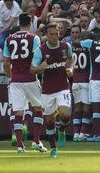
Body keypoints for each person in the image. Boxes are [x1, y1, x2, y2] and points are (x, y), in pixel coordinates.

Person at [30, 22, 74, 158]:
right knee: (49, 122)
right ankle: (53, 149)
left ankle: (61, 130)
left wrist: (70, 69)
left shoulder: (66, 46)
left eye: (57, 34)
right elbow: (32, 69)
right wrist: (40, 67)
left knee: (65, 115)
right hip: (47, 90)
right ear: (46, 35)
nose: (55, 37)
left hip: (62, 87)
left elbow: (71, 59)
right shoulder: (40, 50)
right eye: (52, 34)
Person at [4, 13, 46, 153]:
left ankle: (20, 146)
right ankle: (36, 141)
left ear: (19, 22)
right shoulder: (34, 38)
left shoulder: (9, 39)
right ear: (31, 22)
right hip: (30, 78)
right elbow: (36, 58)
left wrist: (11, 76)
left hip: (15, 80)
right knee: (38, 109)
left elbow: (5, 62)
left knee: (18, 113)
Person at [71, 29, 92, 141]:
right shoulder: (89, 48)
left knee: (77, 108)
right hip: (85, 81)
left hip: (75, 81)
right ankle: (83, 132)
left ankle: (75, 133)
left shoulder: (73, 47)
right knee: (86, 108)